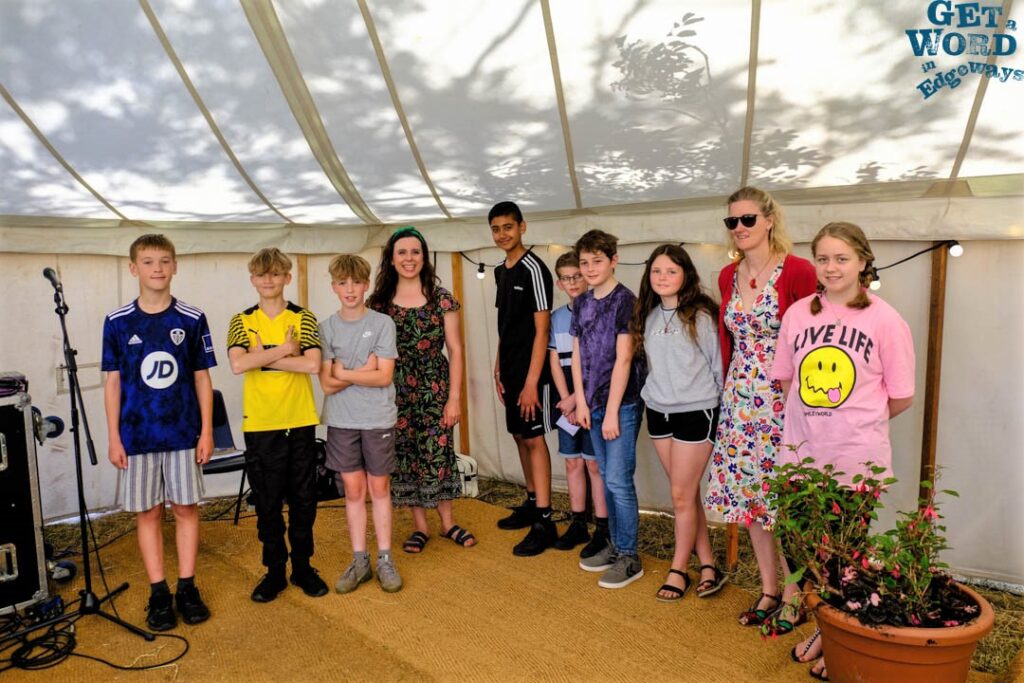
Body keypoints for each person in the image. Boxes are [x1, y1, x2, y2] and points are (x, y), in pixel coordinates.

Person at [772, 222, 915, 681]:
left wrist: (855, 421)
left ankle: (837, 642)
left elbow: (901, 395)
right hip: (801, 456)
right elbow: (788, 380)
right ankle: (825, 625)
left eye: (841, 258)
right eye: (823, 258)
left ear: (863, 261)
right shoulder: (798, 314)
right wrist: (814, 421)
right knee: (797, 547)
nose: (831, 267)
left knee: (842, 557)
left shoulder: (884, 319)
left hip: (855, 459)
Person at [703, 187, 818, 626]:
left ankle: (796, 593)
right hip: (739, 400)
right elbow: (730, 341)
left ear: (769, 220)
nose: (739, 228)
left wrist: (804, 402)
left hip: (783, 400)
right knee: (752, 500)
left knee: (783, 502)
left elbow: (815, 336)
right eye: (732, 221)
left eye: (748, 219)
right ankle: (769, 589)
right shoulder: (726, 276)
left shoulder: (799, 271)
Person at [102, 233, 215, 631]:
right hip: (137, 436)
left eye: (164, 261)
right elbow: (112, 382)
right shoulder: (117, 322)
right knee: (148, 512)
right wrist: (114, 437)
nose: (157, 269)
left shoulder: (192, 318)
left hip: (183, 434)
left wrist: (206, 431)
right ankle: (159, 593)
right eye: (148, 262)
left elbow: (202, 378)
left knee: (185, 508)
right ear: (134, 268)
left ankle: (187, 587)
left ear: (175, 267)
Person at [227, 248, 327, 603]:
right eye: (261, 274)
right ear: (252, 279)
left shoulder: (304, 317)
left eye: (275, 273)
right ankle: (274, 572)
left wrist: (260, 357)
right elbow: (237, 365)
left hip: (299, 420)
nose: (268, 280)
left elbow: (312, 365)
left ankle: (302, 567)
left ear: (287, 277)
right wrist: (286, 351)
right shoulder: (241, 320)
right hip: (261, 423)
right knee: (267, 503)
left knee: (304, 500)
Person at [368, 226, 476, 553]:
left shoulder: (442, 299)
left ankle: (447, 523)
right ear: (391, 259)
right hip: (395, 389)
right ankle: (420, 527)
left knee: (437, 452)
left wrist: (454, 399)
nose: (409, 258)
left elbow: (456, 350)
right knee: (406, 456)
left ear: (424, 257)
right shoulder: (379, 303)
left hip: (434, 387)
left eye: (415, 252)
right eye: (401, 252)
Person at [631, 244, 727, 602]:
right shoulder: (649, 316)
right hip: (659, 412)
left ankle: (678, 568)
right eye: (657, 271)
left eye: (671, 271)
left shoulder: (700, 317)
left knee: (680, 495)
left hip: (696, 412)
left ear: (685, 275)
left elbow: (718, 368)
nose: (663, 277)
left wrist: (723, 417)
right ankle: (708, 563)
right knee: (684, 494)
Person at [319, 254, 402, 594]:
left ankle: (385, 558)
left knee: (379, 488)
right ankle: (360, 560)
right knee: (353, 491)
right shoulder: (326, 328)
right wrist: (364, 371)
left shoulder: (383, 324)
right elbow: (327, 385)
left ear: (367, 285)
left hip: (377, 417)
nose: (350, 289)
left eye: (356, 282)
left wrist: (345, 372)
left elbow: (384, 377)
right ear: (334, 287)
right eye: (343, 283)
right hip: (341, 420)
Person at [571, 229, 645, 589]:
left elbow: (624, 358)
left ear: (613, 260)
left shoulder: (625, 301)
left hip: (622, 403)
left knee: (617, 479)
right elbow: (576, 354)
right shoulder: (582, 302)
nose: (590, 268)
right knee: (605, 476)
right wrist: (581, 400)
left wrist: (613, 410)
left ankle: (630, 555)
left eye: (597, 261)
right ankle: (615, 545)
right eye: (584, 262)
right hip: (592, 404)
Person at [489, 201, 559, 556]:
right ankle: (531, 502)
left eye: (508, 227)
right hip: (511, 370)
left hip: (534, 373)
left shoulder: (535, 269)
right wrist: (498, 364)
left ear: (522, 227)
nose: (502, 234)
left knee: (533, 438)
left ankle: (545, 520)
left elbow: (542, 330)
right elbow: (506, 325)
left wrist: (532, 383)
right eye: (496, 229)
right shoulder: (500, 271)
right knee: (518, 434)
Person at [548, 252, 609, 556]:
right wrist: (565, 399)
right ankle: (578, 523)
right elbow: (554, 360)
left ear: (586, 277)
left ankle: (603, 527)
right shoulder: (557, 317)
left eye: (577, 276)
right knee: (572, 462)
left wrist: (576, 399)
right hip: (567, 399)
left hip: (591, 394)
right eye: (566, 278)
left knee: (594, 463)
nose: (572, 282)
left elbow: (599, 362)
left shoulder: (598, 312)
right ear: (559, 282)